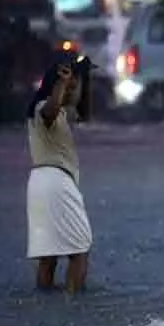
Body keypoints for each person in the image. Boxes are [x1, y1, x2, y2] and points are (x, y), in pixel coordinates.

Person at [25, 50, 95, 293]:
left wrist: (83, 77)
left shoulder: (63, 113)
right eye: (68, 80)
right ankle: (73, 304)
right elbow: (50, 111)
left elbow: (81, 110)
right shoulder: (43, 107)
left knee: (49, 255)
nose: (73, 85)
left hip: (40, 183)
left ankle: (46, 307)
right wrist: (63, 84)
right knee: (79, 250)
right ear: (55, 83)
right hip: (56, 182)